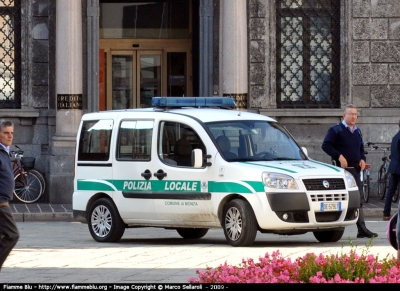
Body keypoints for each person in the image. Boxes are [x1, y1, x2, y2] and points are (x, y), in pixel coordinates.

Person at [321, 104, 378, 238]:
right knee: (342, 199)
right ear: (344, 115)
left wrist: (362, 158)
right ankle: (332, 227)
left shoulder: (357, 131)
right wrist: (339, 156)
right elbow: (326, 145)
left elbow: (360, 148)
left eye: (355, 114)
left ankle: (362, 228)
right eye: (351, 114)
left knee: (357, 199)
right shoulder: (336, 130)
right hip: (342, 171)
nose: (353, 117)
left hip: (355, 170)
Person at [0, 119, 20, 270]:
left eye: (12, 133)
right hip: (1, 204)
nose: (9, 136)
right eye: (6, 133)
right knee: (12, 235)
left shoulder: (5, 151)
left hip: (4, 201)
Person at [383, 120, 400, 221]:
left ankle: (386, 213)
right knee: (391, 190)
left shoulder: (395, 136)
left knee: (391, 191)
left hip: (393, 166)